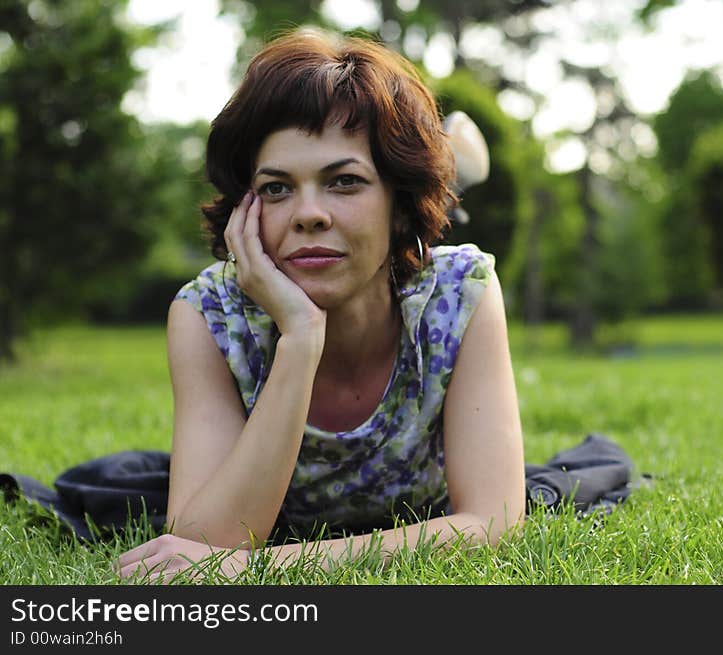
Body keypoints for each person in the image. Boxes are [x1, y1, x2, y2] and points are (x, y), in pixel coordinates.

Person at [114, 27, 526, 582]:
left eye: (344, 181)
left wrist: (268, 566)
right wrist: (301, 335)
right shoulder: (206, 315)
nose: (308, 214)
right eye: (278, 188)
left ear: (399, 206)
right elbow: (201, 547)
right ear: (245, 211)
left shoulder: (460, 292)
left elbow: (492, 521)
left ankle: (450, 167)